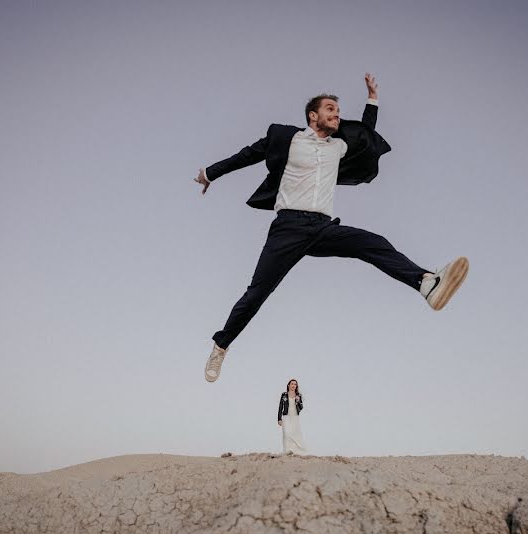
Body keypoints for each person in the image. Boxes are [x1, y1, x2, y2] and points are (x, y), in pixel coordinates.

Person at [196, 73, 469, 382]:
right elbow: (247, 155)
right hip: (287, 229)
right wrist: (210, 173)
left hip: (322, 228)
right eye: (330, 109)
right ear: (313, 115)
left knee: (371, 242)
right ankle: (221, 346)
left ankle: (426, 283)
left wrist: (372, 99)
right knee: (257, 293)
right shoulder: (286, 138)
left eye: (338, 111)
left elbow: (366, 134)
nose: (336, 115)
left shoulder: (338, 148)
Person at [278, 379, 306, 455]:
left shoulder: (298, 395)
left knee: (295, 433)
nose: (293, 385)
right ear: (289, 385)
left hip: (295, 416)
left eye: (295, 384)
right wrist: (279, 419)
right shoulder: (284, 394)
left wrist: (298, 401)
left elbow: (301, 407)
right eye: (292, 384)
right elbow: (280, 407)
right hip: (286, 416)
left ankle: (296, 451)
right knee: (286, 433)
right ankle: (287, 450)